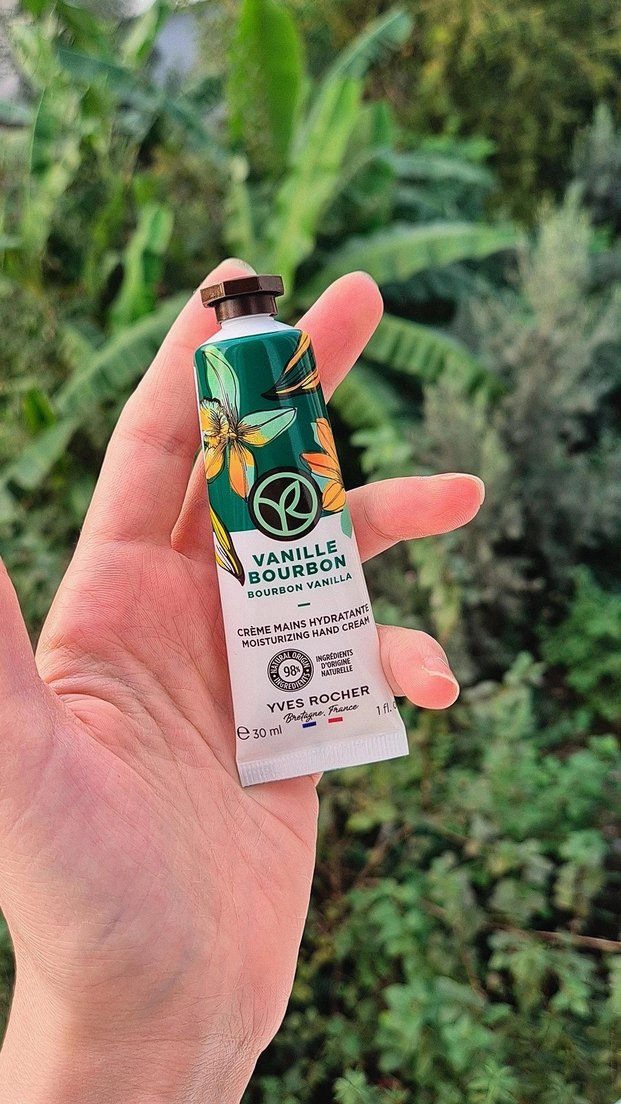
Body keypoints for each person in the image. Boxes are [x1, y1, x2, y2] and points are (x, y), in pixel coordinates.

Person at [0, 260, 484, 1103]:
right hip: (260, 556)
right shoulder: (232, 364)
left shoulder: (258, 358)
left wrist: (141, 1035)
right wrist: (126, 1028)